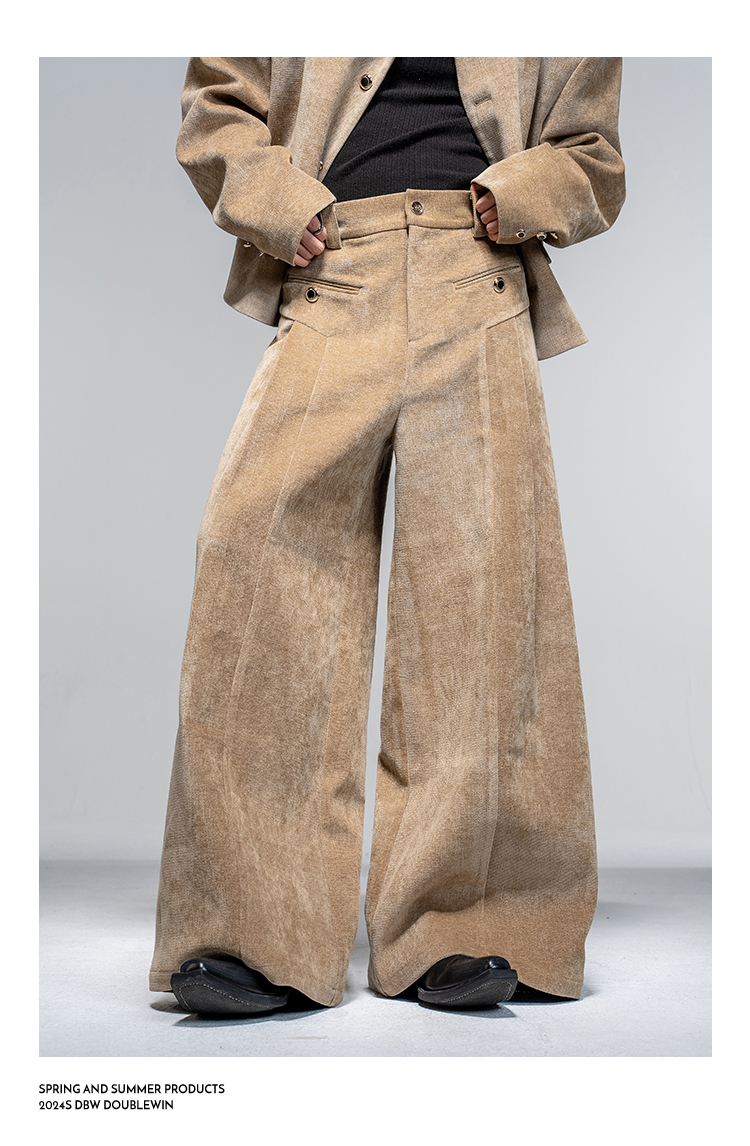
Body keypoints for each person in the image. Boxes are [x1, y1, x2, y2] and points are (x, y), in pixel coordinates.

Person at [150, 57, 626, 1016]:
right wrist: (281, 203)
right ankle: (255, 931)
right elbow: (217, 108)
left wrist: (517, 196)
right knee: (258, 581)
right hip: (332, 274)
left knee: (482, 610)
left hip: (479, 279)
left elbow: (593, 156)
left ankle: (467, 925)